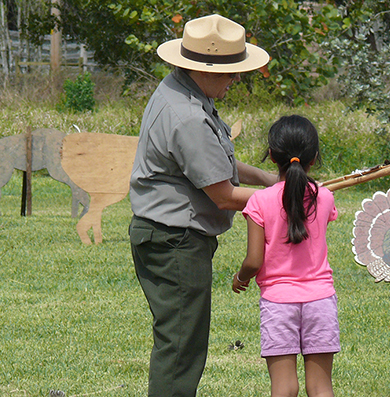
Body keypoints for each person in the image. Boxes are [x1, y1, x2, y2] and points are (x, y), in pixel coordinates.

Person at [129, 14, 277, 397]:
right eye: (231, 74)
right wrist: (285, 196)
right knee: (181, 348)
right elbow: (224, 195)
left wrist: (266, 178)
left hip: (172, 236)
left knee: (181, 343)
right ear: (205, 71)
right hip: (175, 240)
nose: (236, 80)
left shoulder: (183, 91)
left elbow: (215, 162)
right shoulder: (188, 116)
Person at [232, 115, 340, 397]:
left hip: (278, 304)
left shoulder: (258, 201)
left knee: (284, 388)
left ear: (270, 156)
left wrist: (240, 277)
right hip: (321, 300)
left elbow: (254, 261)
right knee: (320, 387)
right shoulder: (325, 197)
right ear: (314, 158)